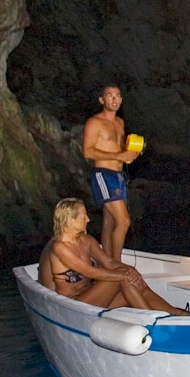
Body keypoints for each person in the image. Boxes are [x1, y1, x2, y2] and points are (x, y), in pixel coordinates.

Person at [39, 198, 189, 314]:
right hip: (74, 304)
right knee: (123, 278)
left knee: (136, 284)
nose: (88, 219)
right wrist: (124, 275)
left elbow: (109, 262)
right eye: (83, 216)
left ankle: (175, 313)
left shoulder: (87, 240)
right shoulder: (59, 247)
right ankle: (153, 321)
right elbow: (90, 272)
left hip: (93, 296)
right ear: (70, 220)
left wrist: (131, 270)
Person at [82, 85, 142, 261]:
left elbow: (119, 150)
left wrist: (129, 155)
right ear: (102, 100)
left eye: (117, 96)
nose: (114, 99)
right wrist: (119, 155)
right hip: (104, 174)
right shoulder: (94, 123)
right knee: (123, 221)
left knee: (109, 222)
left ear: (121, 100)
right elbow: (88, 152)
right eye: (109, 96)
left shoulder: (120, 123)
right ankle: (116, 264)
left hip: (118, 175)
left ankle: (106, 261)